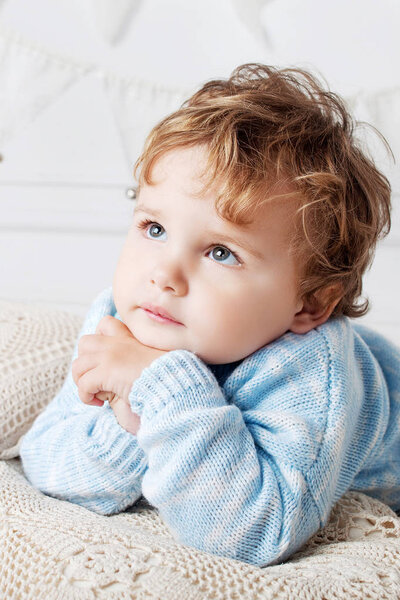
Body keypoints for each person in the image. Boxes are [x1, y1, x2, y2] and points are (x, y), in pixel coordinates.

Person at [20, 63, 400, 568]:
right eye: (154, 228)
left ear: (308, 304)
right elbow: (47, 461)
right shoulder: (124, 318)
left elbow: (254, 532)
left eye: (221, 252)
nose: (164, 275)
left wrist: (164, 388)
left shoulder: (312, 372)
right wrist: (131, 418)